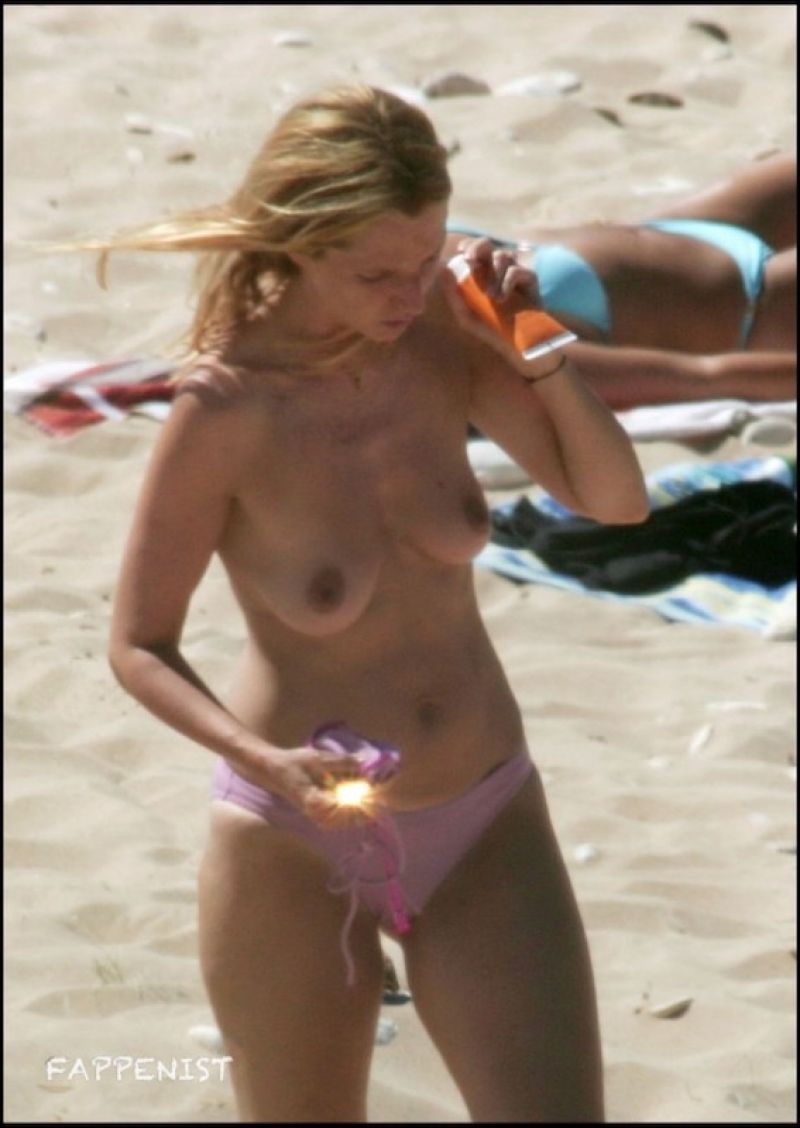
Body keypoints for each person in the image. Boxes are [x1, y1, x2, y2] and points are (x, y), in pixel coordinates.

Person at [102, 83, 649, 1123]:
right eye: (376, 273)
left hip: (483, 812)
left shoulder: (446, 336)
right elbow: (138, 643)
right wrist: (262, 759)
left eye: (426, 256)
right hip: (290, 839)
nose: (409, 293)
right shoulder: (226, 408)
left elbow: (615, 502)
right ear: (302, 246)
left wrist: (537, 357)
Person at [445, 153, 796, 409]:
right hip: (753, 305)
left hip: (679, 229)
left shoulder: (423, 257)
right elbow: (705, 377)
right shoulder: (513, 348)